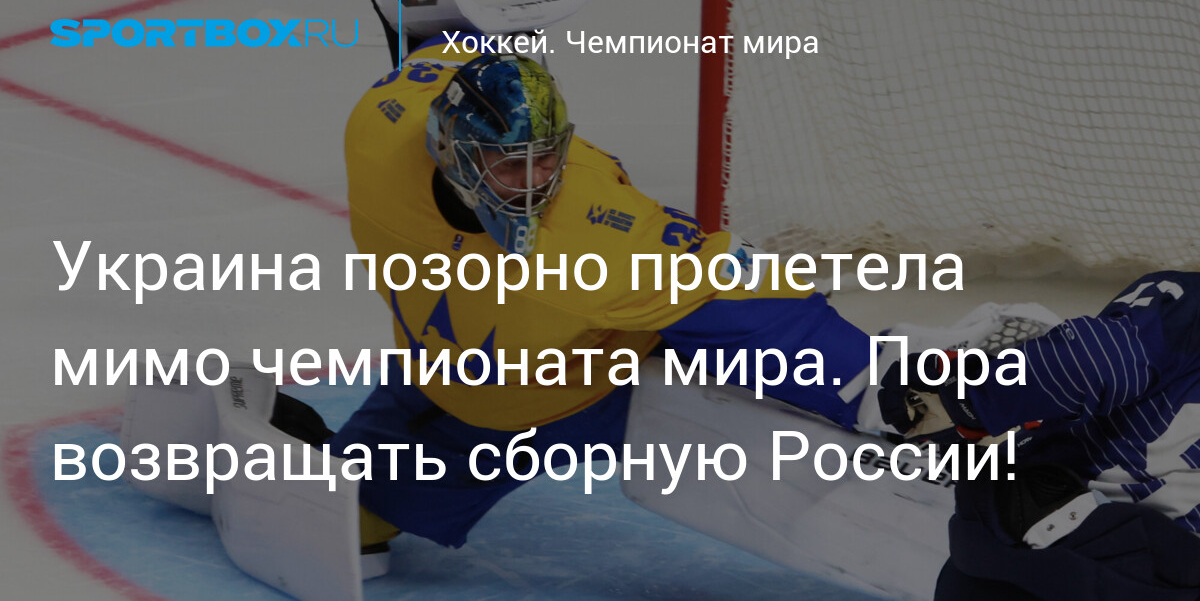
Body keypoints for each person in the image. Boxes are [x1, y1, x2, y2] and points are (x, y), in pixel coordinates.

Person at [322, 35, 877, 555]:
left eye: (547, 157)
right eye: (511, 164)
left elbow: (750, 308)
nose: (536, 183)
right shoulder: (381, 123)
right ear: (451, 149)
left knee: (769, 370)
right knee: (345, 518)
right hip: (444, 381)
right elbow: (443, 47)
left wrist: (876, 384)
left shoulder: (591, 241)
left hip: (593, 391)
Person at [878, 271, 1200, 600]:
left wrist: (968, 398)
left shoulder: (1188, 305)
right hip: (1159, 574)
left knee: (998, 510)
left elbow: (1088, 362)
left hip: (1065, 555)